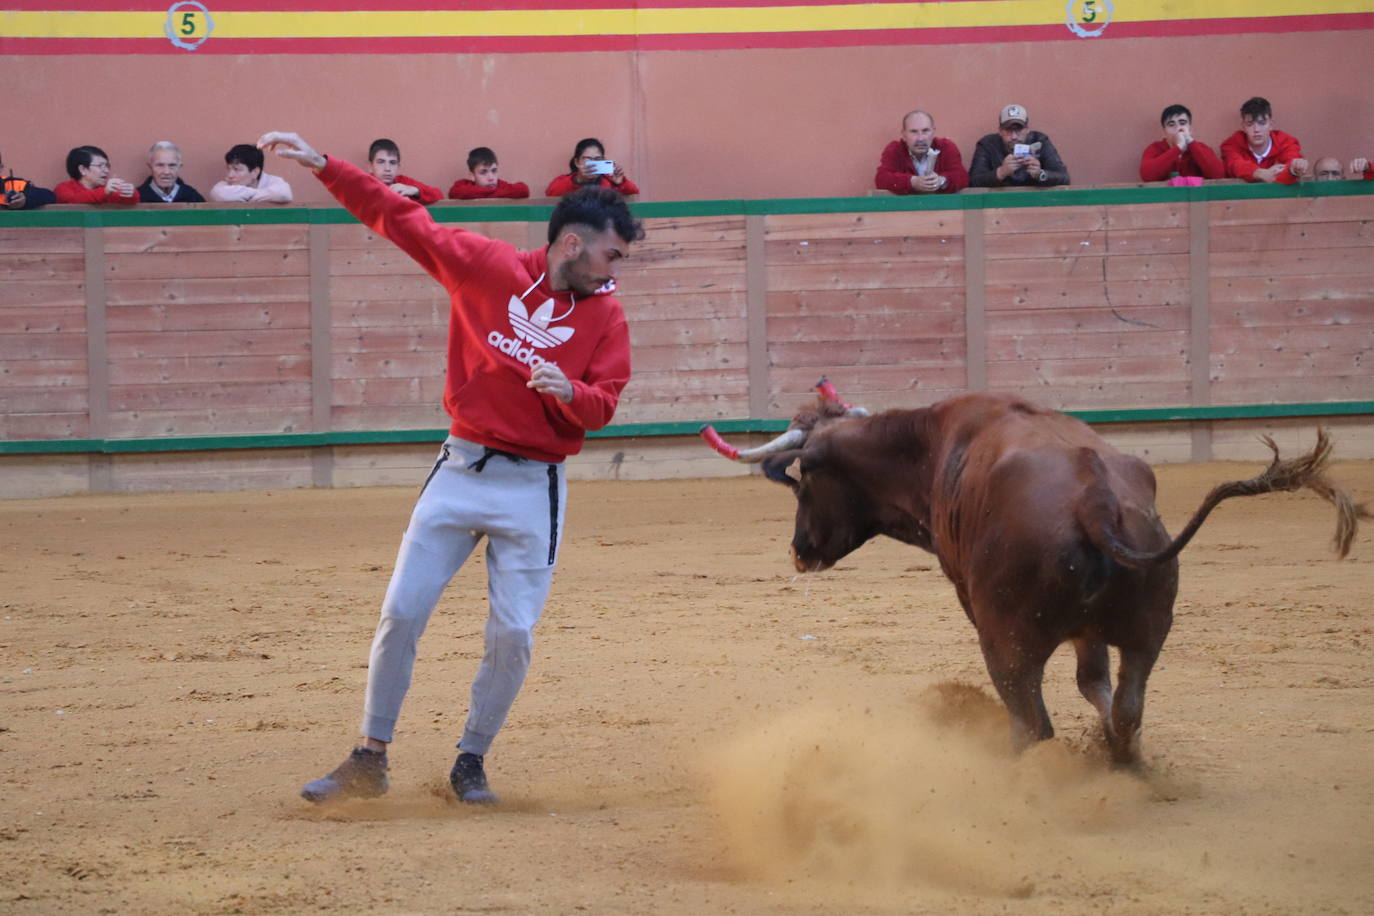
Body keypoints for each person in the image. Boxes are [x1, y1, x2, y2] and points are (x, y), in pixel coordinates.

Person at [255, 129, 643, 807]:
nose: (615, 271)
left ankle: (471, 760)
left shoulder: (607, 316)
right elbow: (401, 219)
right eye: (610, 253)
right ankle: (370, 755)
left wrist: (570, 393)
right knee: (401, 611)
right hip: (461, 467)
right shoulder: (484, 265)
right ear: (571, 243)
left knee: (514, 634)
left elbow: (604, 406)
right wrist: (326, 166)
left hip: (533, 487)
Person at [969, 104, 1070, 188]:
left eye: (1019, 130)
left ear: (1027, 130)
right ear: (1000, 131)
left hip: (1034, 203)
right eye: (1008, 130)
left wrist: (1040, 174)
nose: (1014, 136)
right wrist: (1000, 172)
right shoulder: (988, 144)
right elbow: (973, 181)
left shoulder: (1040, 141)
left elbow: (1064, 177)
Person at [873, 109, 968, 194]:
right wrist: (912, 182)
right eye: (914, 132)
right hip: (906, 210)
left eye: (925, 131)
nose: (920, 138)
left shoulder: (946, 147)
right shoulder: (895, 149)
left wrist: (941, 181)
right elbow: (881, 178)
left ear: (933, 131)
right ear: (904, 134)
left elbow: (962, 176)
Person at [1220, 97, 1308, 183]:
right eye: (1250, 124)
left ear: (1271, 124)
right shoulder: (1232, 144)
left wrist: (1294, 169)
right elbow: (1234, 165)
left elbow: (1292, 164)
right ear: (1244, 127)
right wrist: (1260, 173)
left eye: (1262, 123)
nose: (1256, 130)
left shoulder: (1286, 142)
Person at [1139, 104, 1224, 182]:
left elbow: (1218, 175)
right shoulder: (1155, 148)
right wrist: (1178, 148)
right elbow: (1147, 176)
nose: (1178, 128)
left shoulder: (1201, 148)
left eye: (1182, 123)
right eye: (1171, 124)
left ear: (1190, 129)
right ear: (1164, 130)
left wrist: (1191, 142)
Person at [545, 138, 639, 197]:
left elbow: (634, 193)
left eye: (598, 159)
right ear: (577, 162)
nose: (593, 163)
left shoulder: (610, 181)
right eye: (588, 159)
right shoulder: (568, 181)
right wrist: (579, 180)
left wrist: (620, 183)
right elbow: (551, 193)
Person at [367, 138, 442, 205]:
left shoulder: (402, 182)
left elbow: (438, 194)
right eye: (381, 162)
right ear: (370, 166)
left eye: (392, 163)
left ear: (398, 167)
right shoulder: (363, 184)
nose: (387, 168)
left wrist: (415, 191)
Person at [54, 146, 138, 205]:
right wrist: (104, 192)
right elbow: (73, 201)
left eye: (107, 166)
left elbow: (132, 200)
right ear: (83, 169)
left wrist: (131, 193)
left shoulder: (108, 189)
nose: (106, 170)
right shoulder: (63, 188)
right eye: (100, 166)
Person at [209, 143, 293, 203]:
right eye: (229, 169)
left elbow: (285, 194)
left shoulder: (274, 182)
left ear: (255, 172)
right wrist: (258, 194)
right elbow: (219, 194)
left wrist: (240, 196)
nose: (230, 175)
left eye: (236, 169)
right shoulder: (225, 184)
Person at [449, 146, 530, 200]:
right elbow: (454, 192)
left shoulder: (500, 185)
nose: (491, 178)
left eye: (494, 171)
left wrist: (487, 194)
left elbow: (523, 190)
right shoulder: (463, 186)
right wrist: (497, 194)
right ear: (472, 176)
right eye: (483, 172)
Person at [137, 141, 206, 203]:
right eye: (160, 165)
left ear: (179, 167)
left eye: (172, 165)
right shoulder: (138, 197)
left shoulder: (193, 197)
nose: (166, 172)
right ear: (150, 166)